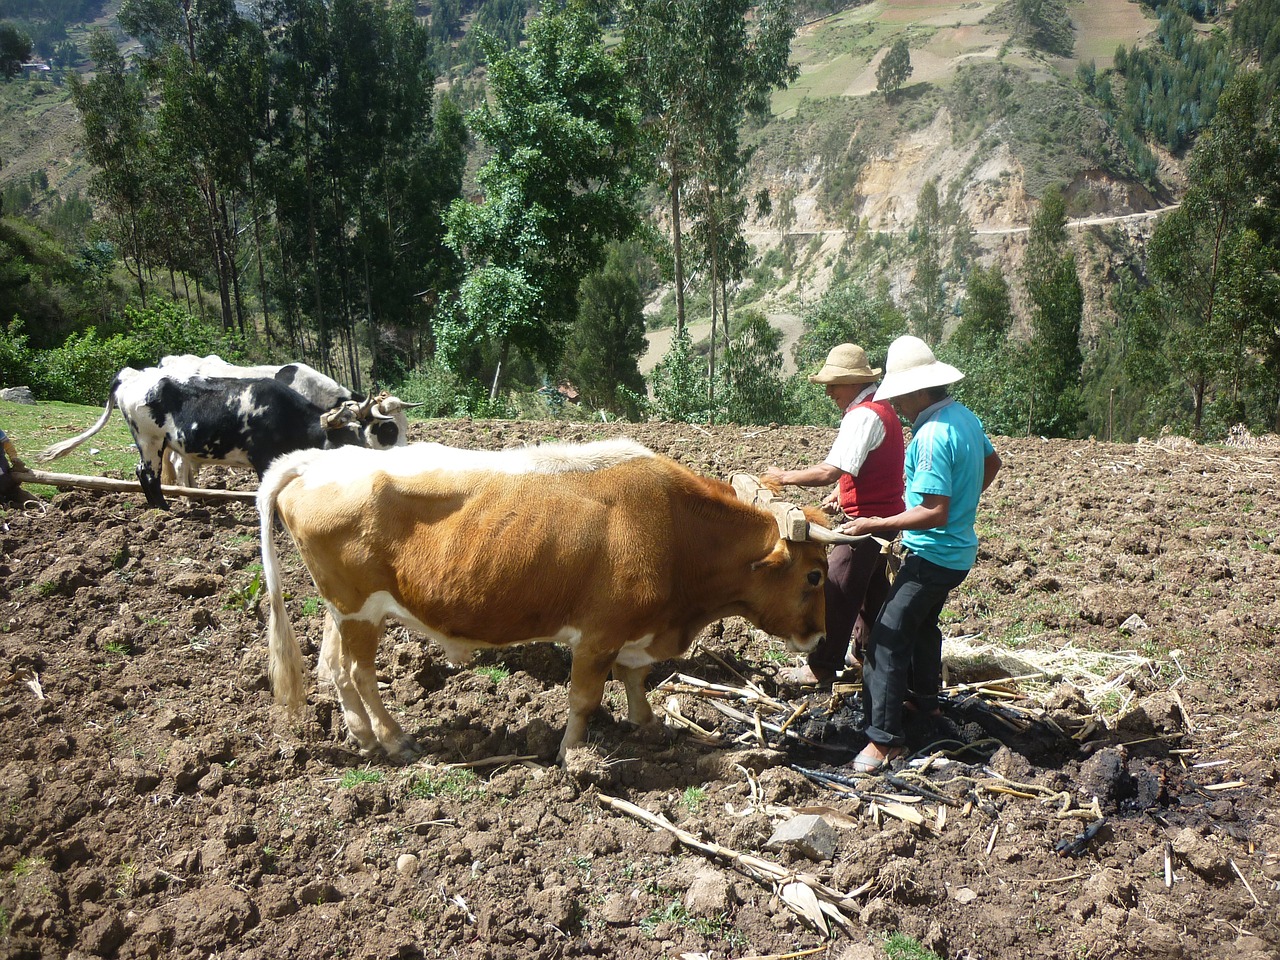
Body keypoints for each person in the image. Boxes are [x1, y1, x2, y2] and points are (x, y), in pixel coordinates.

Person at [838, 335, 1002, 773]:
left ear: (916, 390)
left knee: (887, 640)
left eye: (899, 396)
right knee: (923, 624)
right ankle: (925, 703)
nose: (899, 407)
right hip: (957, 554)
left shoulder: (930, 436)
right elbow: (992, 463)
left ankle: (885, 740)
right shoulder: (964, 418)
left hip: (933, 555)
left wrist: (876, 524)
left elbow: (932, 511)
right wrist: (965, 503)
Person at [764, 343, 905, 686]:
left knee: (837, 590)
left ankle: (822, 667)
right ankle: (866, 653)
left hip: (867, 522)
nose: (828, 392)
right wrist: (840, 493)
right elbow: (860, 469)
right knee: (871, 592)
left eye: (834, 384)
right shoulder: (880, 409)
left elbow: (831, 469)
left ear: (854, 382)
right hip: (883, 518)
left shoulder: (862, 416)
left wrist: (784, 477)